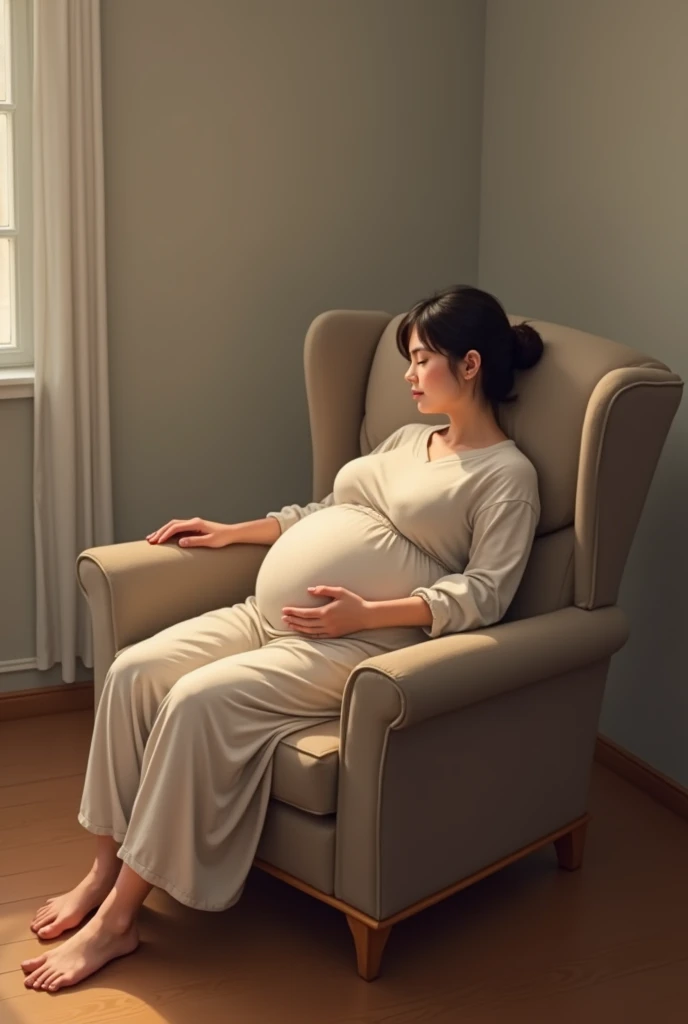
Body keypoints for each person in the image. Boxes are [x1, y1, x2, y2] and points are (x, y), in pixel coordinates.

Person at [21, 284, 544, 992]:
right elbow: (327, 509)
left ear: (472, 363)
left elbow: (486, 594)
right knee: (134, 671)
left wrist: (366, 614)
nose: (408, 375)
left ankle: (118, 921)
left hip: (364, 647)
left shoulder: (506, 477)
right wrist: (235, 531)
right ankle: (101, 870)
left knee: (196, 701)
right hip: (271, 615)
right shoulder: (404, 440)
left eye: (422, 359)